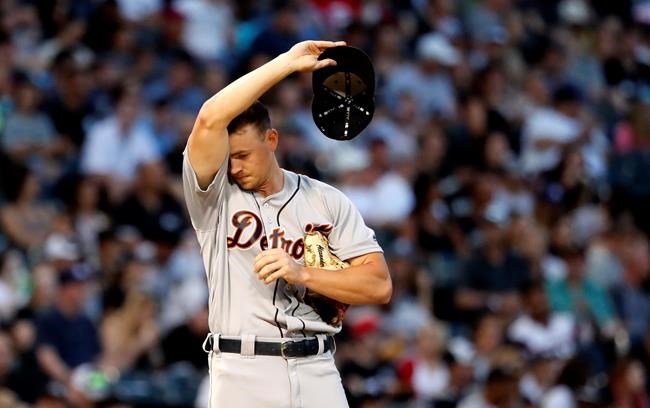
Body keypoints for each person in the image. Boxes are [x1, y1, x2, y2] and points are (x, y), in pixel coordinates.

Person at [182, 40, 392, 407]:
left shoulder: (326, 200)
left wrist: (305, 273)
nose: (234, 167)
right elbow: (209, 118)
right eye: (229, 157)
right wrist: (284, 64)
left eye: (244, 155)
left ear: (272, 140)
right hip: (242, 370)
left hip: (318, 367)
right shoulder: (213, 197)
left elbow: (379, 287)